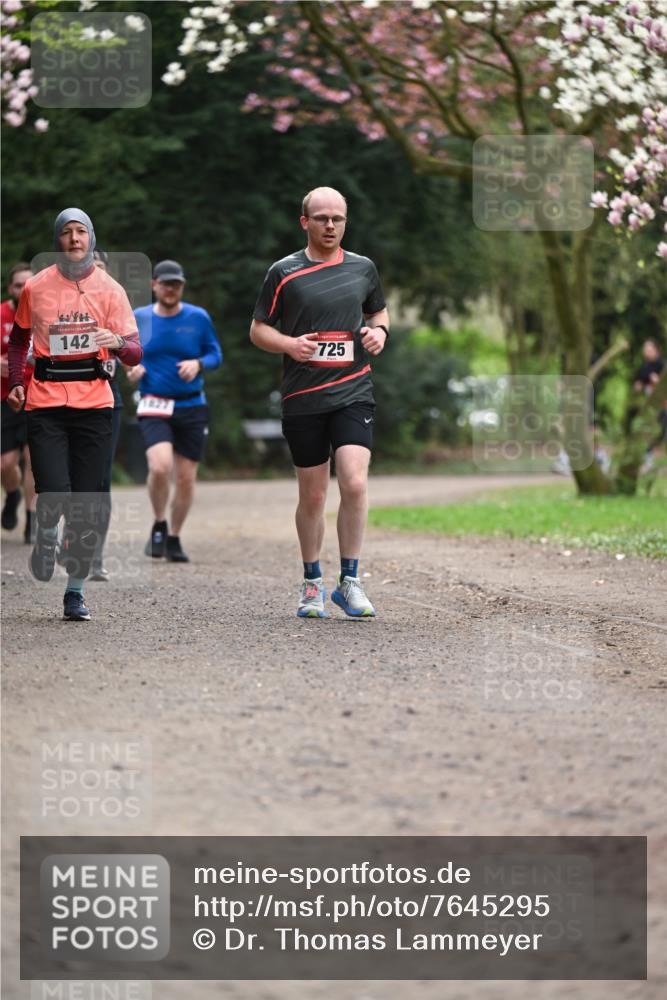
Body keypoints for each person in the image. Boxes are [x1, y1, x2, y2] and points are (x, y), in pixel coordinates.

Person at [250, 186, 389, 619]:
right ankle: (312, 582)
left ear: (346, 222)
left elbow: (378, 312)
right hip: (303, 397)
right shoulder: (283, 271)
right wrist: (289, 344)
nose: (330, 226)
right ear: (304, 222)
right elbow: (258, 329)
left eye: (338, 219)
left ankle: (350, 581)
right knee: (312, 495)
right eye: (322, 218)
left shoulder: (363, 268)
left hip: (353, 392)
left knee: (355, 482)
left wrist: (379, 333)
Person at [6, 208, 142, 621]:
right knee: (54, 491)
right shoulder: (36, 286)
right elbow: (19, 341)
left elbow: (135, 352)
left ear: (91, 238)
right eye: (66, 232)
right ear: (57, 240)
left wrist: (115, 341)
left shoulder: (111, 289)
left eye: (81, 231)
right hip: (46, 402)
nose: (74, 238)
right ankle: (47, 533)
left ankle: (75, 593)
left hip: (95, 404)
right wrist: (17, 382)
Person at [128, 260, 222, 563]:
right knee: (159, 466)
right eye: (166, 284)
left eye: (177, 284)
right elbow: (124, 353)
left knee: (185, 478)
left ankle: (174, 536)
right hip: (154, 403)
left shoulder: (198, 317)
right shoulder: (139, 317)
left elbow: (215, 354)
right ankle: (159, 522)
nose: (171, 289)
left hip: (191, 405)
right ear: (154, 285)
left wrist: (198, 363)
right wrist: (132, 368)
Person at [1, 261, 37, 542]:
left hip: (38, 396)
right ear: (9, 288)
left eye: (28, 284)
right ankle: (12, 494)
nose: (24, 289)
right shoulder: (1, 314)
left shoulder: (46, 313)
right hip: (5, 397)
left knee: (33, 459)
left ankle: (32, 518)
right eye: (18, 285)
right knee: (5, 464)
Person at [631, 337, 666, 470]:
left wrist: (658, 381)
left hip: (664, 404)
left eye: (649, 350)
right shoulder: (644, 367)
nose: (647, 352)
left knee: (662, 431)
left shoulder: (663, 365)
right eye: (645, 350)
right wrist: (638, 385)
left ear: (656, 350)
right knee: (648, 431)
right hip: (650, 405)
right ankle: (648, 461)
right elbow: (640, 383)